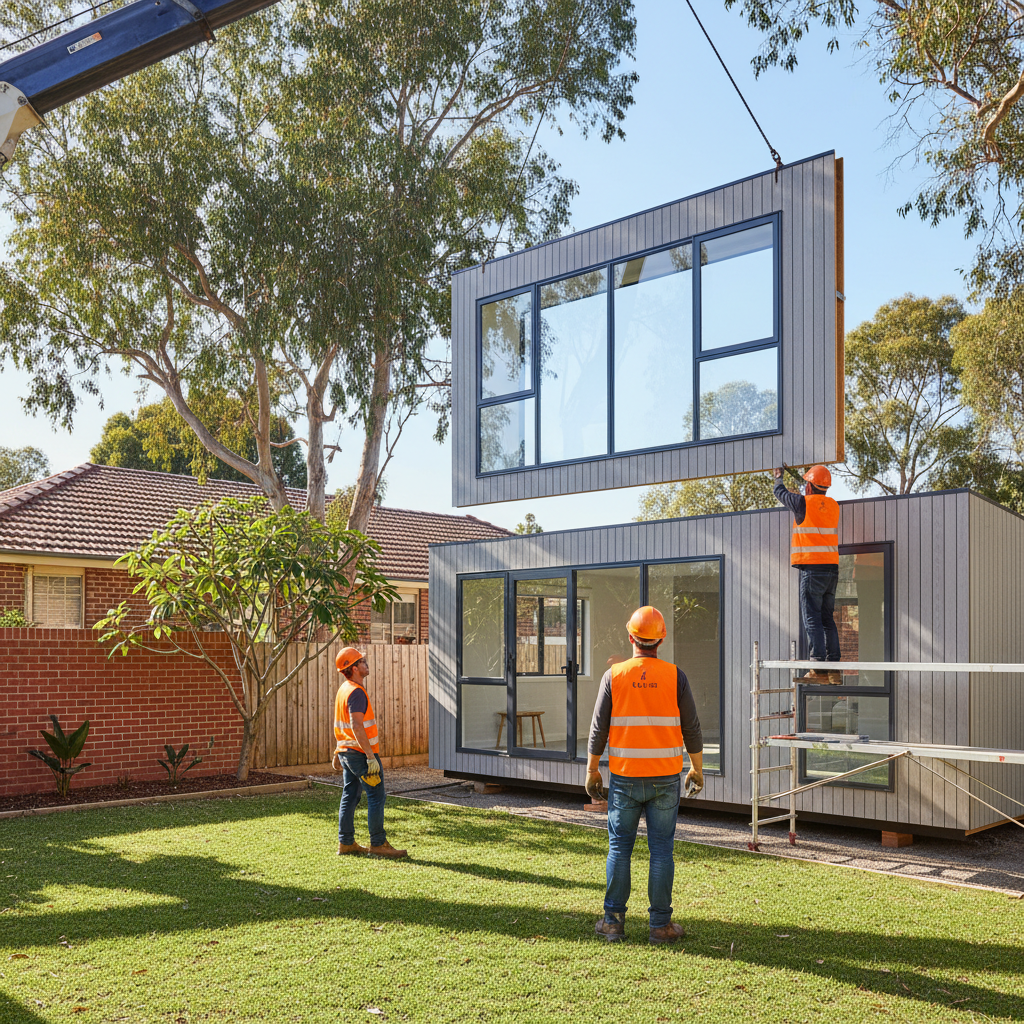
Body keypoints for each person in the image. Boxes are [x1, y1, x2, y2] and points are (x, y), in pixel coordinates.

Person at [586, 606, 704, 945]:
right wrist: (696, 767)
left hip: (624, 779)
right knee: (662, 850)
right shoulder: (675, 676)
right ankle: (660, 926)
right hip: (666, 779)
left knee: (619, 848)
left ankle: (612, 923)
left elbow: (598, 729)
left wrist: (593, 770)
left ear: (631, 637)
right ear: (661, 639)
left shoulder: (615, 676)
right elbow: (691, 728)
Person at [332, 646, 408, 858]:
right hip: (360, 754)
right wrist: (370, 756)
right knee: (376, 796)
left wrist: (338, 750)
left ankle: (346, 843)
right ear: (354, 668)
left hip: (347, 752)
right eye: (363, 661)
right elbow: (355, 725)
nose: (366, 664)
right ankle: (378, 844)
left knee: (350, 795)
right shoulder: (356, 692)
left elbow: (341, 726)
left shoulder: (344, 689)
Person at [773, 465, 841, 683]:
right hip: (831, 570)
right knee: (827, 619)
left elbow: (780, 493)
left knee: (812, 617)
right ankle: (834, 670)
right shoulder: (833, 506)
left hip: (812, 570)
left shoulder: (802, 503)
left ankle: (818, 668)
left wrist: (778, 477)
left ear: (809, 486)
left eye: (806, 484)